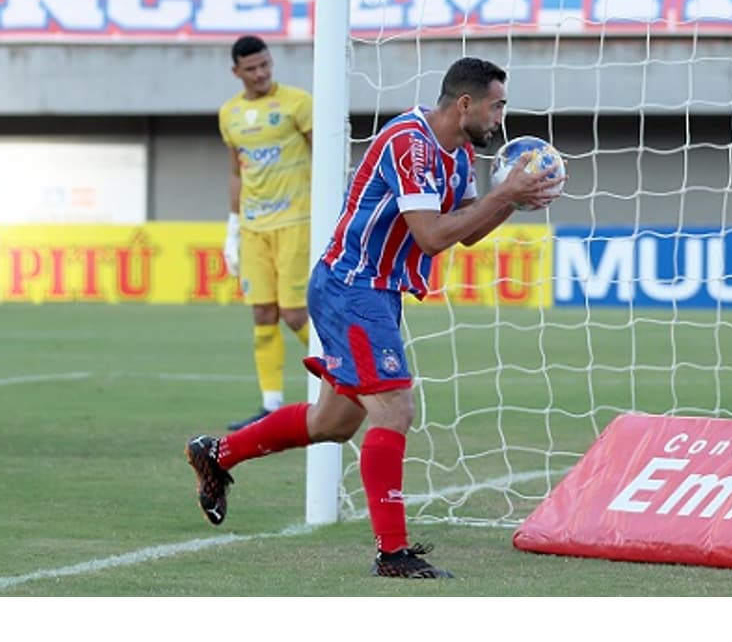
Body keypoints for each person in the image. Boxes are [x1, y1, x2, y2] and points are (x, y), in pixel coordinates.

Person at [186, 56, 563, 578]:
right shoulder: (410, 143)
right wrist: (506, 193)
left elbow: (468, 230)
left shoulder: (457, 156)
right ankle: (393, 553)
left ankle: (217, 454)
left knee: (332, 423)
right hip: (352, 286)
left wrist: (512, 203)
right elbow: (432, 237)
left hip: (375, 292)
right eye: (498, 105)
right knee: (394, 408)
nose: (502, 117)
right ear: (465, 103)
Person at [218, 35, 314, 430]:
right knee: (262, 312)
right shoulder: (229, 114)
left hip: (295, 220)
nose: (260, 74)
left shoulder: (298, 104)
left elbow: (325, 154)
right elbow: (237, 171)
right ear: (236, 72)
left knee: (294, 313)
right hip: (255, 226)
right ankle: (271, 404)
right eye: (251, 69)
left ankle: (346, 378)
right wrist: (233, 226)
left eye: (265, 65)